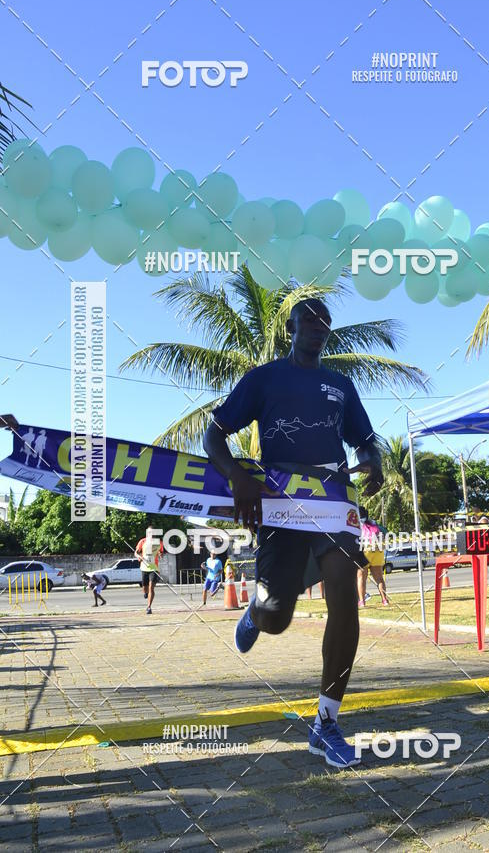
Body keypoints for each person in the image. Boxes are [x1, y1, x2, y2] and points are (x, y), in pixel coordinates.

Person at [204, 297, 383, 768]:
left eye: (325, 321)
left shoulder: (340, 385)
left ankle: (326, 723)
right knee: (277, 616)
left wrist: (377, 461)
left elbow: (365, 438)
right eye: (309, 319)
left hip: (333, 499)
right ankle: (257, 612)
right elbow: (213, 434)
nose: (317, 327)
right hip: (279, 502)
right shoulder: (264, 378)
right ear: (292, 327)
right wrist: (238, 478)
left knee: (344, 597)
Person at [357, 506, 389, 607]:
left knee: (361, 577)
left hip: (365, 550)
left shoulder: (355, 524)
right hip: (378, 550)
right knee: (379, 578)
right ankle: (385, 600)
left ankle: (362, 601)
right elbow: (385, 531)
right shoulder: (373, 523)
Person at [134, 526, 164, 615]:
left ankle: (149, 607)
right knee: (145, 588)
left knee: (151, 588)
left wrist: (160, 554)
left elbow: (161, 552)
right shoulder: (142, 541)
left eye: (152, 532)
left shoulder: (159, 542)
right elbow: (136, 552)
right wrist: (138, 556)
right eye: (149, 532)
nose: (150, 534)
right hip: (144, 567)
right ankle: (146, 593)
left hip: (154, 568)